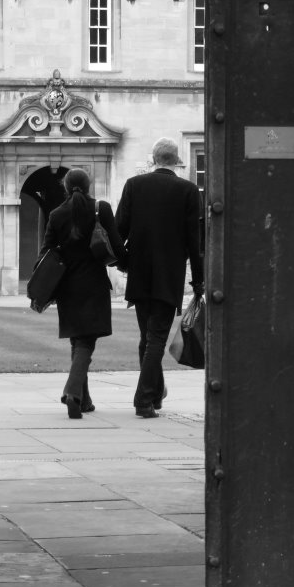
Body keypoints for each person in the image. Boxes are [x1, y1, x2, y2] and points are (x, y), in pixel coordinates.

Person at [116, 137, 204, 418]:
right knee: (155, 338)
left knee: (147, 337)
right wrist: (199, 281)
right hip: (169, 274)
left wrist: (124, 263)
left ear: (154, 160)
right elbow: (195, 242)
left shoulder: (134, 185)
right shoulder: (188, 190)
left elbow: (118, 232)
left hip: (139, 273)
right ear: (176, 161)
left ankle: (155, 392)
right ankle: (144, 400)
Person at [37, 168, 127, 420]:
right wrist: (127, 264)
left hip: (67, 285)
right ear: (89, 186)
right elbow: (118, 247)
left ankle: (84, 400)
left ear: (65, 187)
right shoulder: (102, 208)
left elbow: (45, 252)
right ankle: (72, 393)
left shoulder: (56, 214)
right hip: (94, 283)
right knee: (86, 341)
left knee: (78, 340)